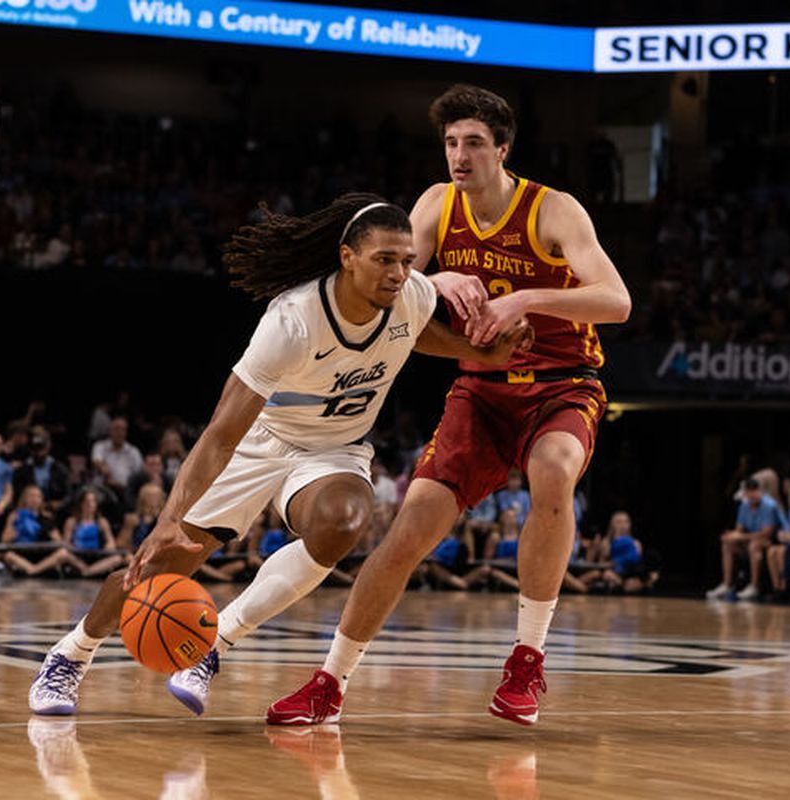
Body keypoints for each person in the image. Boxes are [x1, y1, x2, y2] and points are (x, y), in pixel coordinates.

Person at [27, 192, 526, 715]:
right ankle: (70, 656)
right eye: (385, 259)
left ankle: (214, 645)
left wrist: (480, 353)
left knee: (345, 519)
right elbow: (221, 433)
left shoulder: (412, 294)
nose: (400, 272)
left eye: (406, 260)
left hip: (334, 450)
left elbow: (417, 332)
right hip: (259, 442)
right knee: (162, 566)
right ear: (347, 257)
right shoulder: (292, 320)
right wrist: (169, 519)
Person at [268, 84, 630, 727]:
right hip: (481, 390)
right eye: (450, 143)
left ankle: (527, 660)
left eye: (473, 144)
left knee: (553, 472)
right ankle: (330, 682)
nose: (459, 156)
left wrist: (526, 299)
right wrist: (433, 279)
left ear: (502, 150)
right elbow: (385, 282)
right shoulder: (436, 204)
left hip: (562, 383)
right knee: (409, 530)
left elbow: (617, 300)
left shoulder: (553, 211)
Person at [707, 478, 784, 601]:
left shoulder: (769, 505)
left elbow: (767, 533)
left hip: (773, 541)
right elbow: (740, 529)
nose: (752, 495)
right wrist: (732, 535)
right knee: (728, 543)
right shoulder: (744, 506)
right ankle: (727, 584)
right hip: (751, 540)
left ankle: (754, 586)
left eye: (755, 491)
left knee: (755, 545)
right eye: (749, 492)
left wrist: (741, 536)